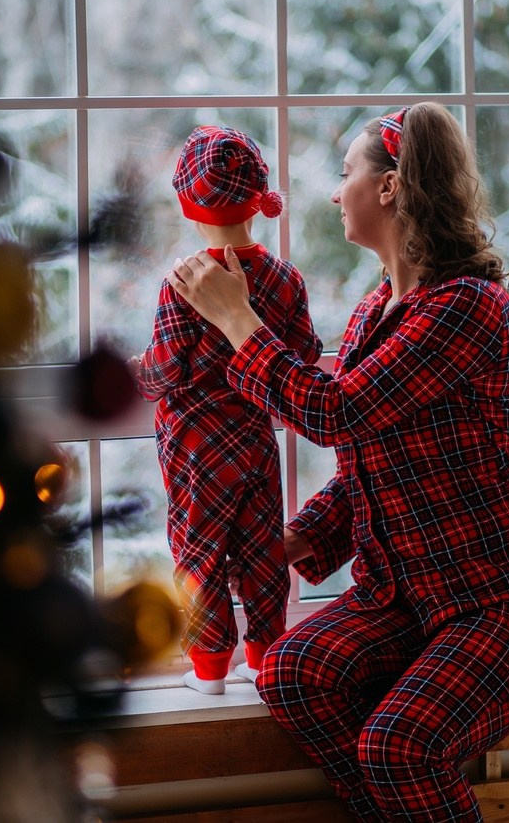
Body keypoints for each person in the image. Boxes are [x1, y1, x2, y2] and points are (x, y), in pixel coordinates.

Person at [167, 103, 509, 819]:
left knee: (398, 748)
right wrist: (290, 541)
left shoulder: (468, 308)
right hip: (405, 599)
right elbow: (367, 462)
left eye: (346, 173)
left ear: (389, 187)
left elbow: (337, 413)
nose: (335, 192)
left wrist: (238, 319)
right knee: (291, 674)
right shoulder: (371, 313)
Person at [133, 125, 323, 695]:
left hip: (196, 447)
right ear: (256, 200)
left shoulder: (186, 281)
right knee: (262, 550)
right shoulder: (285, 278)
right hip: (257, 438)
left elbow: (165, 369)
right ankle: (264, 659)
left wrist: (137, 371)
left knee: (200, 551)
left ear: (189, 206)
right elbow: (304, 354)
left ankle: (210, 667)